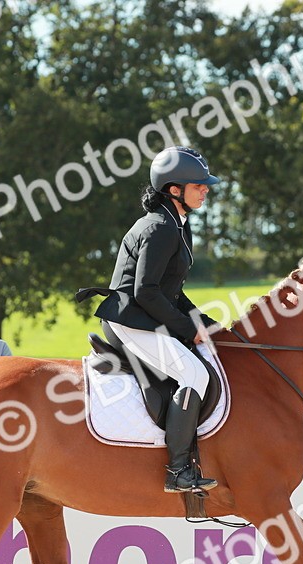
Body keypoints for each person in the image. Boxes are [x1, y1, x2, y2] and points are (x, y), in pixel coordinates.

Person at [88, 145, 221, 493]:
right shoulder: (160, 227)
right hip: (129, 319)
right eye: (199, 185)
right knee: (193, 373)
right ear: (174, 189)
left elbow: (170, 291)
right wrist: (187, 329)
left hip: (145, 315)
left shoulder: (178, 224)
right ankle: (178, 470)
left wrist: (203, 321)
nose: (206, 189)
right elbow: (146, 292)